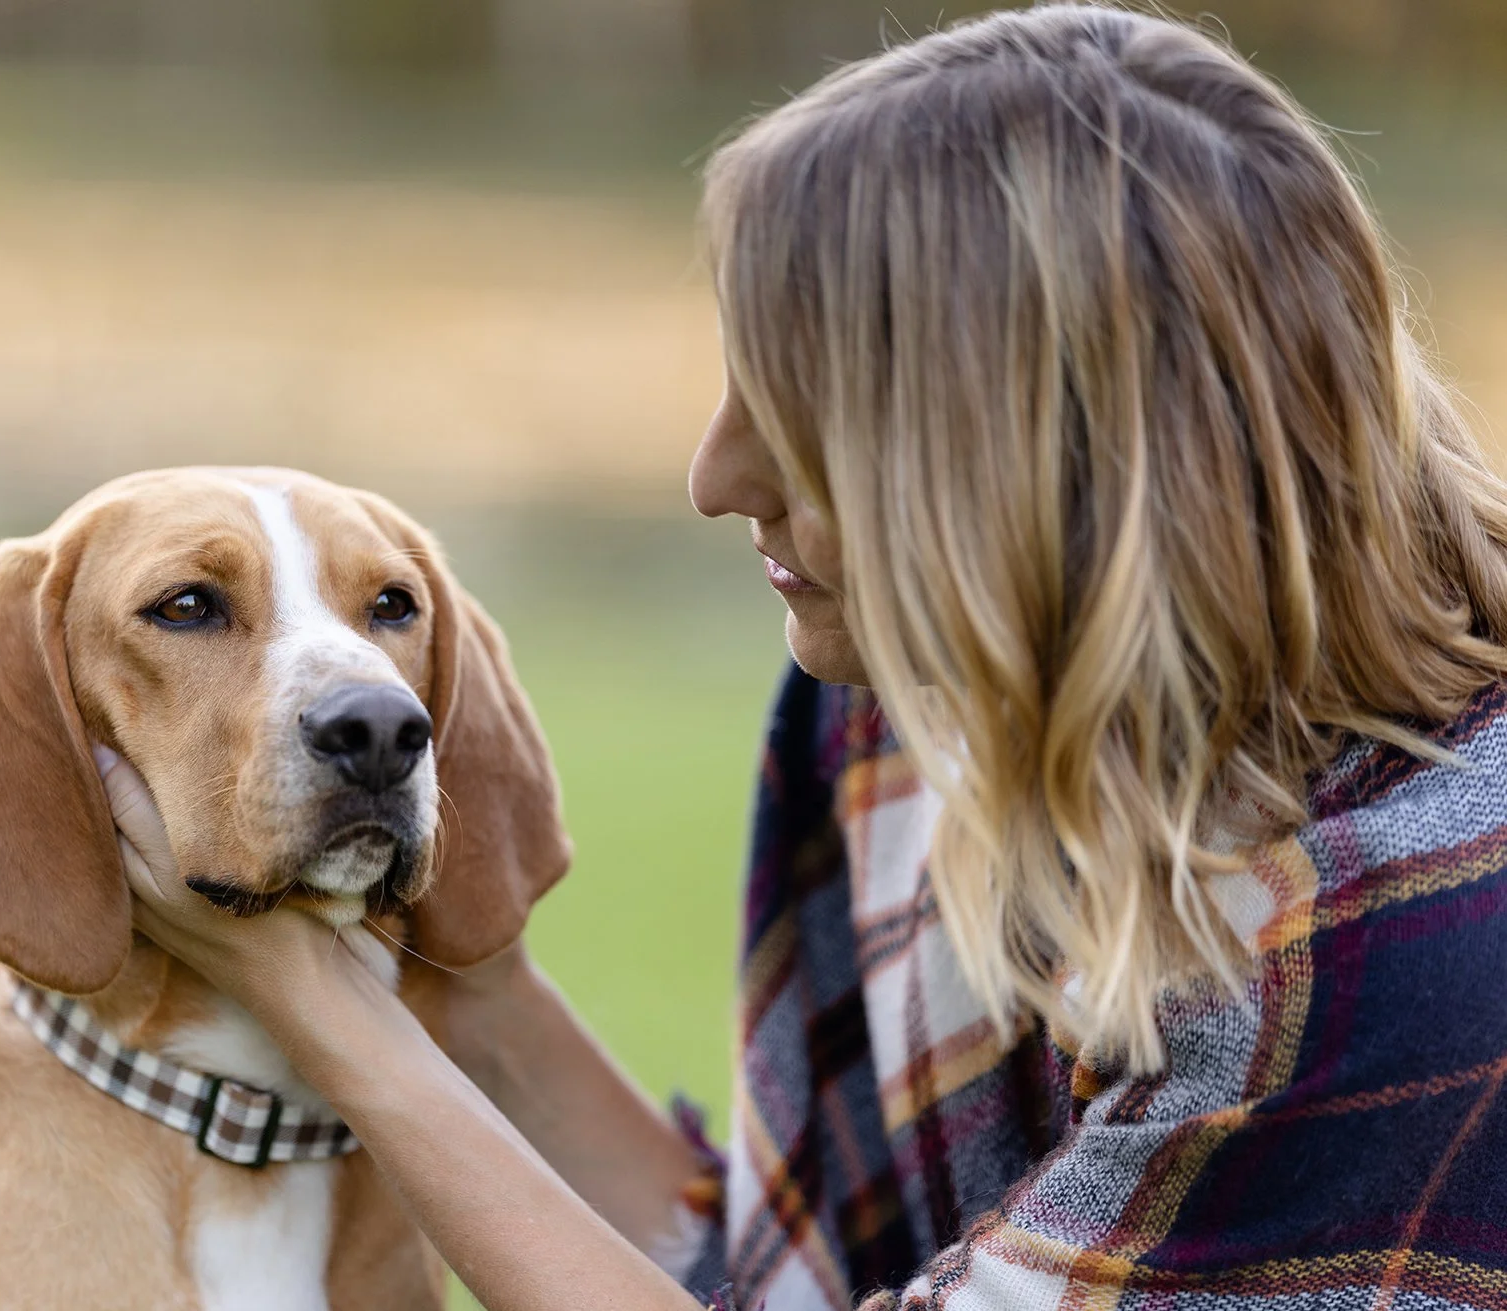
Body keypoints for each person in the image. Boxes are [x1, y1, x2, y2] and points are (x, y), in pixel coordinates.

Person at [102, 6, 1507, 1309]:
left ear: (1032, 471)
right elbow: (784, 1282)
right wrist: (468, 985)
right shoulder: (900, 697)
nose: (714, 476)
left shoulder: (1396, 960)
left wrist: (337, 1024)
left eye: (805, 415)